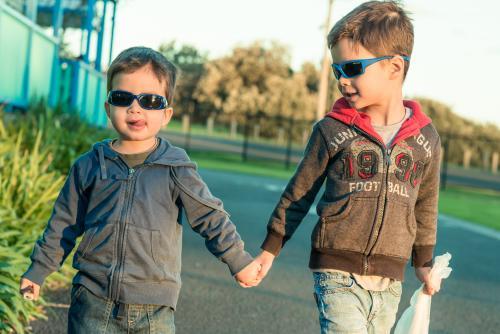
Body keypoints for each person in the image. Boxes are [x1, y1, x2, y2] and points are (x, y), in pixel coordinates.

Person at [19, 46, 260, 333]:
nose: (135, 108)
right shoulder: (89, 166)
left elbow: (210, 217)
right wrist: (38, 270)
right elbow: (63, 224)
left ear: (166, 114)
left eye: (150, 100)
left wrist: (238, 259)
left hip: (153, 309)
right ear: (108, 107)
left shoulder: (176, 168)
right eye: (123, 98)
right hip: (92, 300)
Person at [244, 1, 442, 333]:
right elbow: (300, 192)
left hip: (390, 278)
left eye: (351, 68)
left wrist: (423, 262)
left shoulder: (426, 139)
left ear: (394, 67)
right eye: (337, 70)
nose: (341, 80)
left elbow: (426, 203)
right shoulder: (332, 130)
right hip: (336, 270)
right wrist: (270, 248)